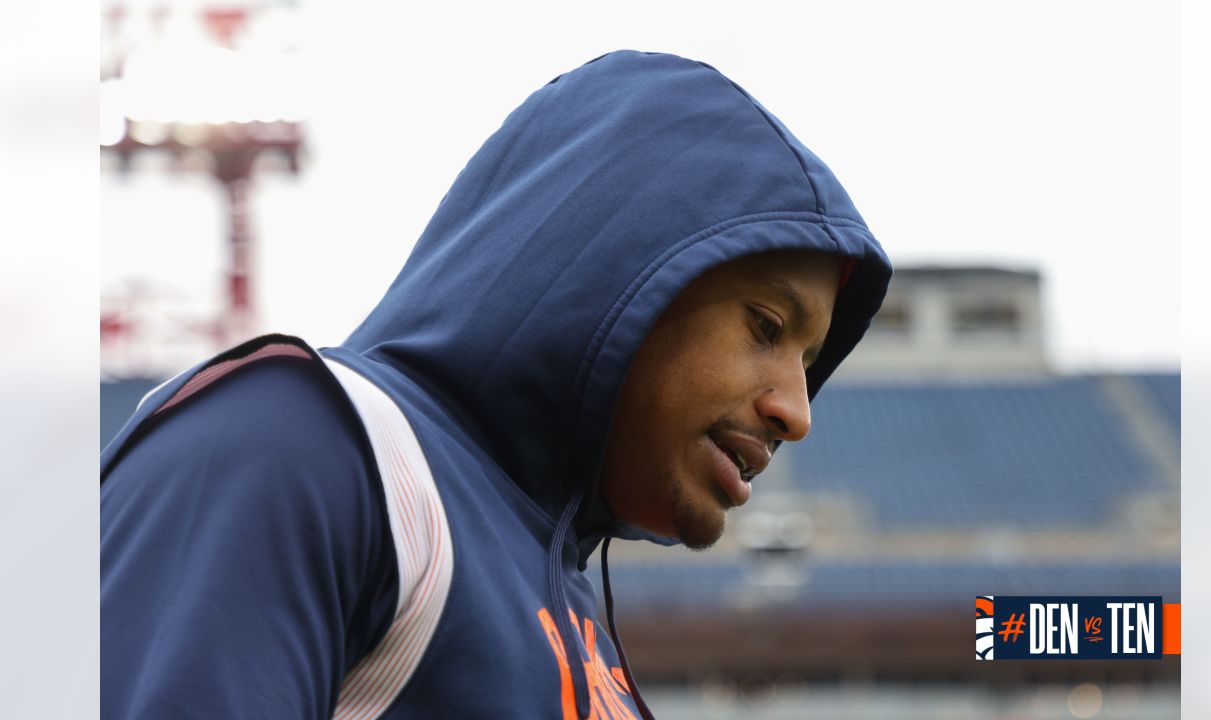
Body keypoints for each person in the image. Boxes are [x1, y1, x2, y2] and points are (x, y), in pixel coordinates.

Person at [100, 50, 891, 720]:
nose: (796, 411)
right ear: (622, 270)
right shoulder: (302, 446)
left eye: (808, 358)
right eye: (764, 326)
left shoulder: (567, 604)